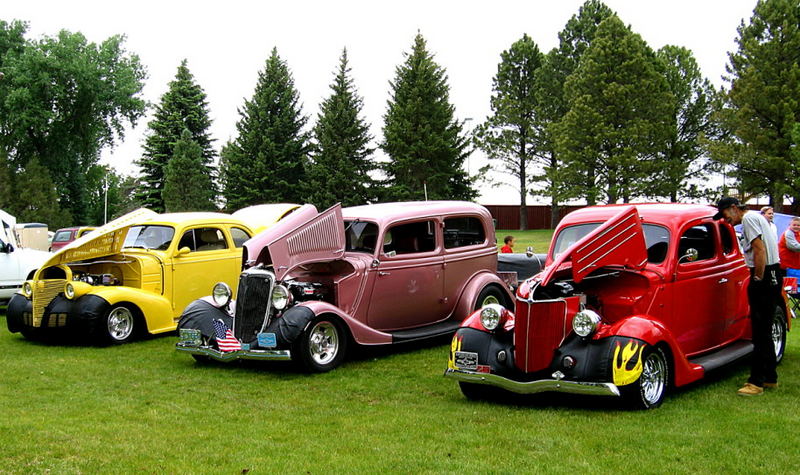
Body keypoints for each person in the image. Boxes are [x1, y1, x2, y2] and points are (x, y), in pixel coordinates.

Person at [714, 197, 781, 396]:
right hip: (772, 274)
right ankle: (770, 377)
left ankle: (756, 382)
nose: (726, 220)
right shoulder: (756, 217)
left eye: (726, 214)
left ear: (734, 208)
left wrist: (758, 277)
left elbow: (759, 250)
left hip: (765, 275)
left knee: (759, 332)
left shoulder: (749, 220)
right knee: (765, 330)